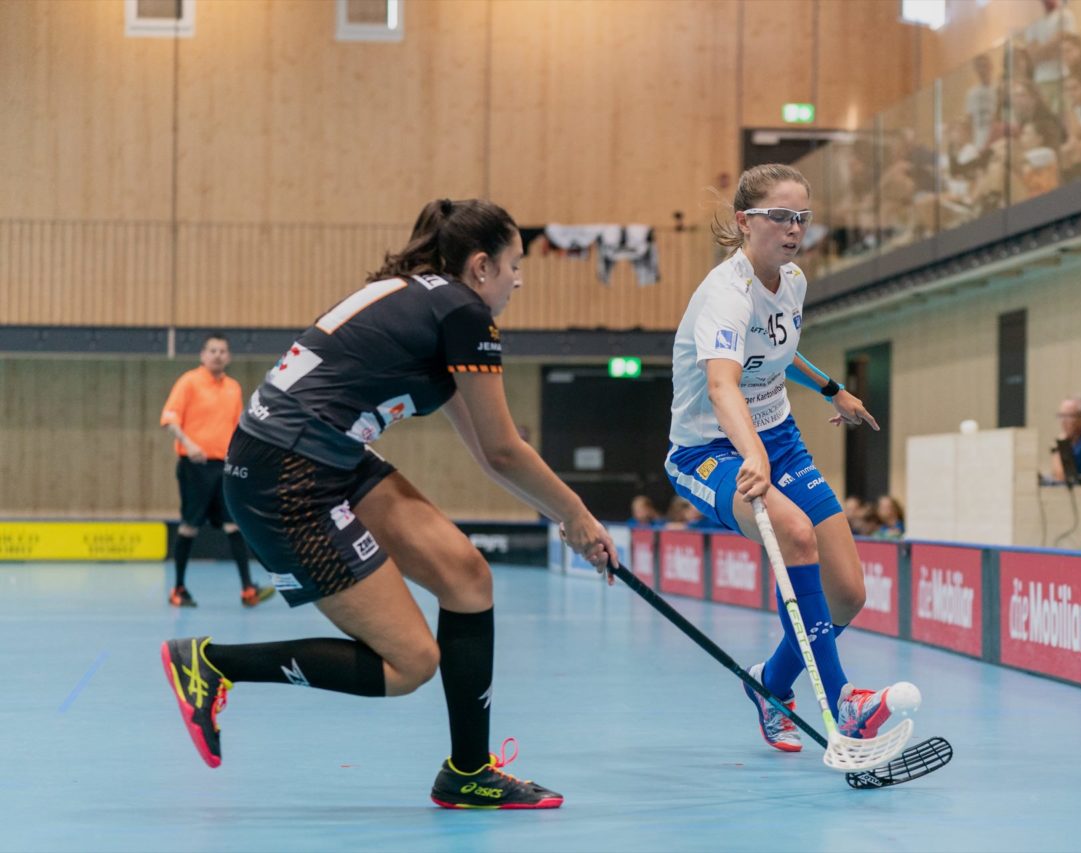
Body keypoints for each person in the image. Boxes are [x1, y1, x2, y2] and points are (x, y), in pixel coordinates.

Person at [159, 198, 617, 810]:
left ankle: (468, 772)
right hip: (285, 478)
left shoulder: (424, 296)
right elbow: (506, 450)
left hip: (323, 457)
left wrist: (566, 516)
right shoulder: (463, 311)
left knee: (466, 577)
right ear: (480, 267)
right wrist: (577, 516)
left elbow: (488, 450)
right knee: (410, 664)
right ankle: (212, 664)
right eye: (514, 264)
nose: (519, 279)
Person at [664, 163, 919, 754]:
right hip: (709, 451)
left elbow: (779, 352)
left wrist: (834, 390)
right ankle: (844, 703)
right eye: (780, 216)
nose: (793, 228)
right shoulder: (725, 297)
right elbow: (724, 384)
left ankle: (771, 684)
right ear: (744, 221)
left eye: (801, 217)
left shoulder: (794, 280)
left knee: (848, 594)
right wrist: (751, 452)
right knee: (796, 534)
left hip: (778, 438)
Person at [160, 333, 274, 608]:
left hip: (224, 467)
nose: (218, 355)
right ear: (203, 355)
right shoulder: (189, 382)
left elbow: (238, 427)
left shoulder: (233, 388)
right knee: (189, 526)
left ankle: (248, 589)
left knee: (234, 524)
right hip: (195, 466)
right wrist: (189, 443)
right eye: (212, 350)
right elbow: (170, 418)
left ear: (228, 356)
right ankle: (178, 589)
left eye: (223, 351)